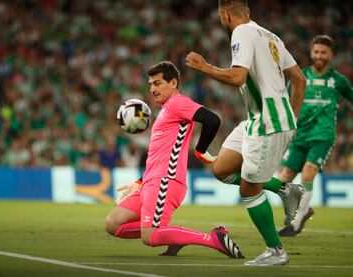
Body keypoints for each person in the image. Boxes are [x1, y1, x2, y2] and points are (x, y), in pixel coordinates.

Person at [182, 0, 306, 266]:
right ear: (247, 11)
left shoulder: (241, 33)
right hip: (256, 120)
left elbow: (238, 77)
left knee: (249, 189)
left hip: (269, 124)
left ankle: (276, 251)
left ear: (226, 14)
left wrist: (205, 67)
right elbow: (299, 79)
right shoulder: (270, 36)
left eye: (219, 16)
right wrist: (292, 117)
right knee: (221, 169)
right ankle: (286, 189)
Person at [105, 61, 244, 259]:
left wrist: (200, 150)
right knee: (113, 223)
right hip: (150, 182)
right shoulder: (166, 109)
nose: (153, 89)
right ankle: (171, 236)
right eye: (151, 84)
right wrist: (140, 182)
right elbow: (159, 155)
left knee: (149, 236)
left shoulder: (178, 103)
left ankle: (213, 238)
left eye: (158, 83)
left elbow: (212, 119)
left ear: (173, 83)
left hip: (165, 181)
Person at [278, 35, 353, 236]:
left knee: (309, 172)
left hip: (323, 135)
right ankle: (300, 210)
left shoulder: (339, 81)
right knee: (283, 178)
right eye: (316, 51)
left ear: (331, 55)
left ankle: (295, 223)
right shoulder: (300, 77)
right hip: (299, 135)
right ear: (311, 53)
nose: (319, 55)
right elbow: (285, 104)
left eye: (323, 52)